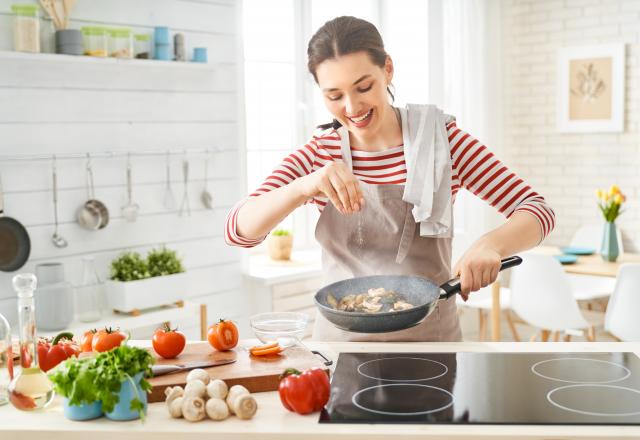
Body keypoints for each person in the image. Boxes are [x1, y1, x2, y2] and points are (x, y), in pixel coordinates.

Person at [225, 16, 555, 342]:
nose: (352, 107)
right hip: (340, 347)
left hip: (431, 345)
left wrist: (490, 245)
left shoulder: (443, 142)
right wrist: (304, 185)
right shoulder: (319, 155)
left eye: (363, 87)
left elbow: (538, 210)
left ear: (388, 70)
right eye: (334, 95)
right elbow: (238, 231)